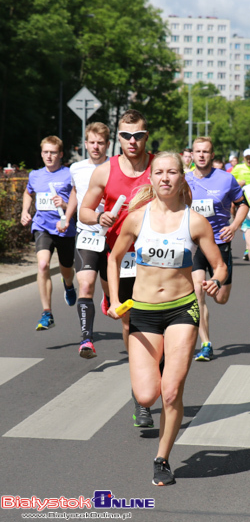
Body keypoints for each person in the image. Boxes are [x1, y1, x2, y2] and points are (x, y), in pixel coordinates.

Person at [107, 152, 227, 486]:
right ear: (151, 179)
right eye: (158, 172)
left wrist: (216, 280)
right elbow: (114, 259)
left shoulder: (195, 221)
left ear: (180, 178)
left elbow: (219, 265)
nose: (165, 178)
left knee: (171, 392)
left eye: (171, 172)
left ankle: (162, 458)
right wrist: (116, 300)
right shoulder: (136, 218)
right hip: (143, 312)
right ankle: (155, 371)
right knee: (147, 396)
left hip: (181, 309)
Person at [79, 109, 155, 428]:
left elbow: (184, 200)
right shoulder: (105, 171)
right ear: (118, 138)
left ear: (145, 136)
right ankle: (141, 394)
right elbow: (84, 210)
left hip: (157, 258)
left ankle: (153, 375)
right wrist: (100, 217)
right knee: (131, 324)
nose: (132, 141)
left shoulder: (159, 167)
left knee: (156, 322)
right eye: (126, 135)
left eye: (137, 135)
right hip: (120, 257)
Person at [185, 137, 249, 361]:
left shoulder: (226, 179)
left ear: (212, 155)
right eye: (197, 151)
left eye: (206, 152)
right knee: (197, 292)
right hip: (194, 243)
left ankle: (219, 283)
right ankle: (206, 344)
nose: (201, 155)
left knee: (221, 297)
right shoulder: (183, 181)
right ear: (191, 154)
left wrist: (234, 226)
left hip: (219, 242)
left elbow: (243, 204)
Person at [58, 122, 111, 359]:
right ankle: (86, 339)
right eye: (92, 142)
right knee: (86, 285)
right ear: (85, 144)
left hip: (112, 235)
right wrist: (68, 217)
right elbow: (75, 194)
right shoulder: (77, 168)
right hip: (86, 233)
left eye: (101, 142)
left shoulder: (115, 168)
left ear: (108, 145)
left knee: (109, 288)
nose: (96, 147)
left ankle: (109, 298)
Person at [21, 136, 77, 330]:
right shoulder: (35, 175)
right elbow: (28, 193)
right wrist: (24, 211)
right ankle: (47, 313)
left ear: (61, 154)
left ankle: (68, 285)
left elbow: (79, 199)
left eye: (53, 152)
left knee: (66, 269)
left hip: (64, 228)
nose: (49, 156)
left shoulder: (70, 174)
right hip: (42, 226)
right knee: (43, 265)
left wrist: (65, 205)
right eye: (46, 152)